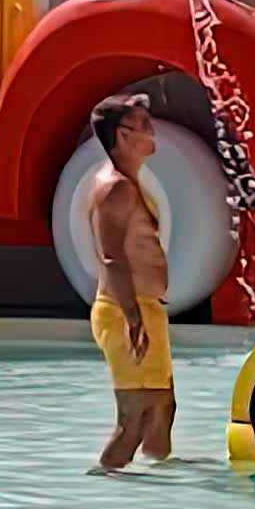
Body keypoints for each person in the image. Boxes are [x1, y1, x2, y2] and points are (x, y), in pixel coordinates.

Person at [83, 94, 174, 470]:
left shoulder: (130, 183)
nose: (153, 132)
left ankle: (159, 489)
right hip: (126, 310)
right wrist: (133, 318)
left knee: (162, 410)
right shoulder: (115, 188)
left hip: (143, 307)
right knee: (133, 421)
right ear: (122, 135)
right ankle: (105, 490)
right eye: (144, 125)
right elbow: (112, 257)